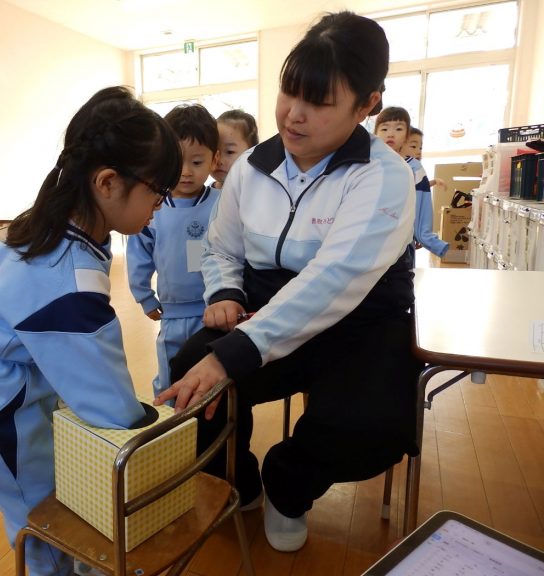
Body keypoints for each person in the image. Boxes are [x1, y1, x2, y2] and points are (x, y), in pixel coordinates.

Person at [155, 11, 422, 553]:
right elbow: (221, 246)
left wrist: (234, 353)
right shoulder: (252, 167)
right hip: (262, 308)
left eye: (319, 102)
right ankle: (240, 483)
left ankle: (288, 485)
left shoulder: (383, 176)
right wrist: (225, 292)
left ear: (367, 104)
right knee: (192, 379)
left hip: (360, 320)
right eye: (289, 93)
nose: (293, 115)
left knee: (370, 425)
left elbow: (333, 282)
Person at [0, 86, 181, 576]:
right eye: (157, 193)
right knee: (39, 519)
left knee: (61, 495)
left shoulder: (55, 225)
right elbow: (107, 401)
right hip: (3, 400)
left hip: (16, 373)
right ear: (107, 183)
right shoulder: (68, 286)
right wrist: (155, 432)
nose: (161, 206)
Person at [126, 103, 220, 398]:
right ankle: (171, 417)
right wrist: (144, 296)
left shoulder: (221, 203)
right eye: (178, 162)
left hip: (213, 310)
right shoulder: (153, 206)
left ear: (214, 159)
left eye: (197, 162)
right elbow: (138, 253)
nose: (186, 172)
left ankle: (208, 417)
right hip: (172, 312)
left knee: (209, 376)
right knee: (170, 371)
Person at [375, 107, 448, 258]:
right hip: (373, 236)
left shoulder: (414, 167)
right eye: (384, 128)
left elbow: (422, 202)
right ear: (375, 133)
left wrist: (421, 233)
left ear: (406, 135)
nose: (391, 133)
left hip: (401, 238)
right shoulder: (367, 163)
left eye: (399, 129)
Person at [211, 109, 259, 188]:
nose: (219, 161)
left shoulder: (258, 192)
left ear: (252, 151)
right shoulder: (199, 194)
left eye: (230, 152)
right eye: (214, 151)